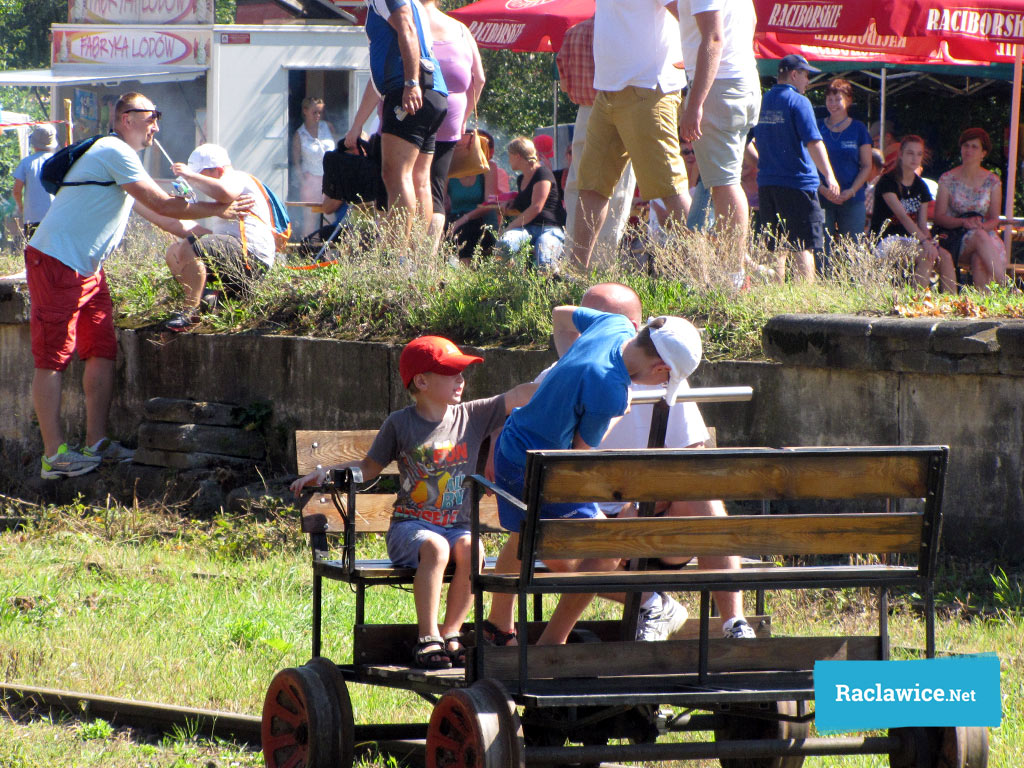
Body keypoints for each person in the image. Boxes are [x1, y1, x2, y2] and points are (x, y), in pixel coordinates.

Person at [25, 92, 253, 479]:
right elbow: (166, 204)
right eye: (151, 117)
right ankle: (54, 456)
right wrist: (219, 209)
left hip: (87, 269)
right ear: (126, 118)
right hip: (56, 261)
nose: (157, 126)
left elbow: (166, 219)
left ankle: (97, 443)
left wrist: (216, 246)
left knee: (101, 350)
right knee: (52, 358)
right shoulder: (114, 150)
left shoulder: (122, 164)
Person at [290, 336, 536, 669]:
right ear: (421, 381)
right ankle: (427, 637)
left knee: (472, 548)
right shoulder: (400, 424)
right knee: (436, 548)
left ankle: (451, 634)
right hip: (411, 528)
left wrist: (570, 373)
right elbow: (367, 468)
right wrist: (324, 473)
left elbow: (521, 395)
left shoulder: (473, 415)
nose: (461, 379)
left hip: (457, 527)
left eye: (462, 372)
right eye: (451, 372)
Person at [483, 307, 703, 648]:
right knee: (608, 547)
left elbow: (559, 313)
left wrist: (569, 373)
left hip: (512, 448)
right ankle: (553, 643)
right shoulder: (611, 390)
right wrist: (620, 410)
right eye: (665, 380)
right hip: (544, 468)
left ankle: (498, 626)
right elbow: (580, 455)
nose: (661, 384)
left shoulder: (613, 323)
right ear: (661, 368)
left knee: (525, 533)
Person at [552, 282, 757, 641]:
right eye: (588, 323)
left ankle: (734, 623)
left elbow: (691, 465)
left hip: (651, 526)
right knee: (556, 537)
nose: (589, 334)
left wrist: (637, 505)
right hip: (588, 527)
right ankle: (652, 603)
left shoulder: (662, 373)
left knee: (702, 494)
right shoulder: (572, 370)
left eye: (601, 322)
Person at [568, 0, 689, 272]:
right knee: (591, 186)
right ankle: (575, 275)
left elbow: (689, 16)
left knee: (670, 188)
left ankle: (707, 274)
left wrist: (690, 59)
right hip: (609, 90)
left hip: (649, 88)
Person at [676, 0, 761, 281]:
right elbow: (751, 22)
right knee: (727, 181)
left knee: (724, 184)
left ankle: (732, 277)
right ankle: (735, 272)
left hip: (719, 86)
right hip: (743, 81)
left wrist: (695, 102)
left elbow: (712, 38)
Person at [149, 144, 275, 331]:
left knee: (190, 246)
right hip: (234, 254)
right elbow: (184, 227)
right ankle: (206, 299)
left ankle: (190, 311)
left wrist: (191, 175)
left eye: (201, 177)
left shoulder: (236, 177)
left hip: (251, 255)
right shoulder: (221, 185)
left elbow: (225, 193)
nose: (198, 185)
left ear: (218, 170)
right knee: (174, 251)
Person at [363, 0, 449, 256]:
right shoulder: (415, 3)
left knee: (395, 173)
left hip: (409, 89)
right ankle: (418, 259)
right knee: (419, 178)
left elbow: (407, 29)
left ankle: (396, 258)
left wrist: (411, 83)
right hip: (434, 92)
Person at [556, 16, 637, 268]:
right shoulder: (625, 28)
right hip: (619, 109)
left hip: (585, 111)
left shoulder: (574, 33)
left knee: (578, 183)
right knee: (617, 187)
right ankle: (602, 258)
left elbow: (565, 79)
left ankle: (575, 252)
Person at [753, 54, 840, 283]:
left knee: (775, 247)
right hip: (798, 183)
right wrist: (829, 175)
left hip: (768, 184)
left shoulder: (762, 100)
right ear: (794, 74)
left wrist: (763, 165)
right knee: (804, 246)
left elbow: (744, 144)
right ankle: (805, 305)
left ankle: (775, 299)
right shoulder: (799, 101)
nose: (808, 81)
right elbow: (814, 141)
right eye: (805, 75)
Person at [421, 0, 485, 251]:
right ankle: (427, 260)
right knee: (436, 192)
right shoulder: (460, 30)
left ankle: (400, 259)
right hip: (449, 122)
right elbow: (478, 79)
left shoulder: (406, 22)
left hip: (411, 117)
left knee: (407, 185)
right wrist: (463, 118)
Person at [869, 136, 955, 293]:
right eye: (910, 153)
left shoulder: (921, 187)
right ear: (900, 154)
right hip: (887, 239)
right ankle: (916, 303)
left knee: (945, 257)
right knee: (925, 255)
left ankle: (953, 304)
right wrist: (925, 242)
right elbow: (903, 217)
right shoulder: (887, 182)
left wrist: (931, 242)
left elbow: (922, 224)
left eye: (918, 154)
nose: (914, 158)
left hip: (913, 239)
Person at [933, 127, 1008, 290]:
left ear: (983, 153)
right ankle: (1007, 286)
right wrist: (963, 222)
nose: (969, 150)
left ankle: (984, 306)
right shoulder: (947, 179)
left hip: (984, 235)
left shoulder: (992, 181)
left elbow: (994, 218)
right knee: (979, 236)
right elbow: (938, 216)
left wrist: (982, 226)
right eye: (966, 145)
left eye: (974, 147)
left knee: (979, 259)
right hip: (955, 236)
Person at [817, 78, 872, 261]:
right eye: (829, 99)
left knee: (852, 250)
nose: (833, 104)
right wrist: (822, 189)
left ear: (848, 100)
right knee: (822, 249)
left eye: (837, 99)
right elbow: (809, 162)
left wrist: (851, 191)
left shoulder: (858, 128)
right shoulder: (817, 126)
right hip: (822, 196)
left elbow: (867, 166)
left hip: (852, 197)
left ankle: (852, 286)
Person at [495, 137, 565, 271]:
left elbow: (536, 207)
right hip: (527, 229)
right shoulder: (521, 178)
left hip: (549, 228)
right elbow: (526, 201)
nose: (509, 160)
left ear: (517, 156)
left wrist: (510, 226)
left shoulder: (543, 173)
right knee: (504, 245)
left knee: (545, 263)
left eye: (510, 156)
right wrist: (512, 203)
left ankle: (553, 285)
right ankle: (509, 281)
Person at [447, 129, 499, 263]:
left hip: (479, 217)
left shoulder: (489, 168)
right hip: (455, 218)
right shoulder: (450, 168)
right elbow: (442, 202)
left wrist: (465, 218)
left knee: (468, 231)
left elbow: (489, 203)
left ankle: (467, 272)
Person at [291, 97, 337, 239]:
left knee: (331, 217)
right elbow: (296, 162)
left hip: (329, 179)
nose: (317, 116)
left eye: (320, 112)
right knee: (310, 220)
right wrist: (302, 181)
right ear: (305, 111)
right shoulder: (300, 134)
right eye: (314, 112)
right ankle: (308, 252)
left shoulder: (327, 127)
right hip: (311, 180)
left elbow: (338, 150)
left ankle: (330, 254)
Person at [13, 124, 57, 239]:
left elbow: (17, 191)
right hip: (55, 216)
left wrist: (21, 207)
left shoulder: (26, 163)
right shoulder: (58, 161)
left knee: (34, 252)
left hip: (32, 217)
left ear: (34, 143)